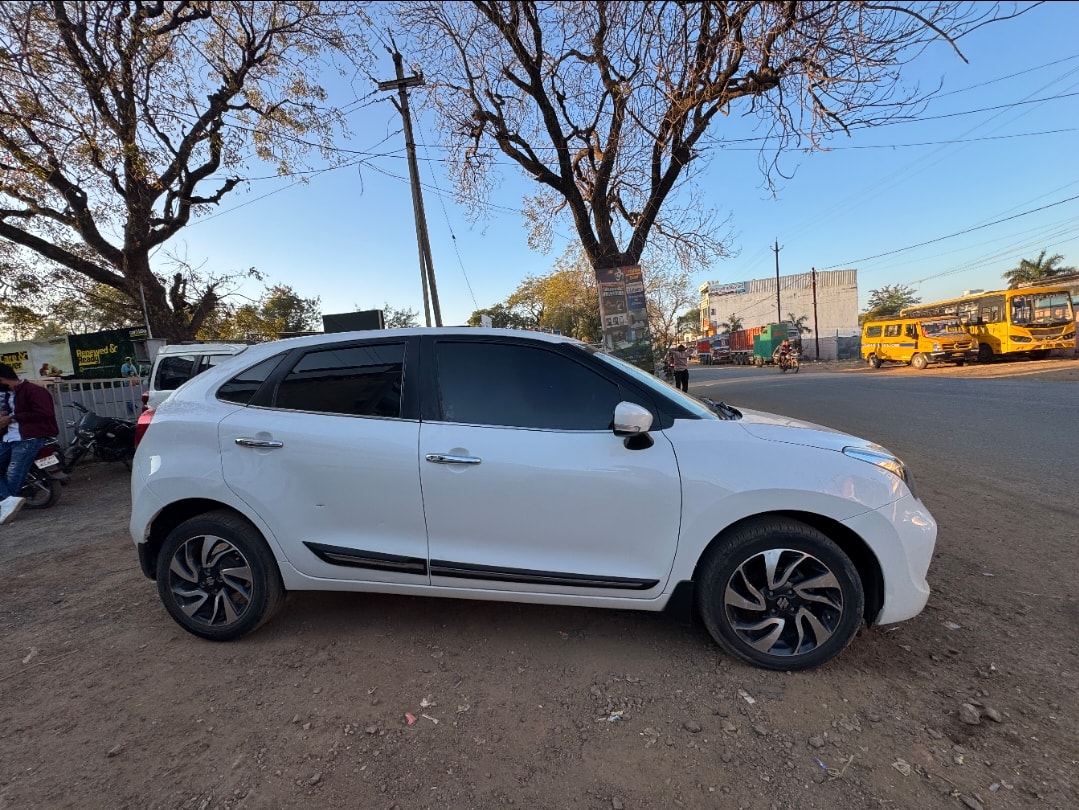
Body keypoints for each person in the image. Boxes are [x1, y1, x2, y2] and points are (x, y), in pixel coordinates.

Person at [0, 363, 60, 524]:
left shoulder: (34, 391)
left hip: (29, 438)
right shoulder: (6, 394)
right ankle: (8, 502)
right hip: (8, 438)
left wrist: (13, 418)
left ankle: (8, 504)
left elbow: (44, 412)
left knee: (14, 475)